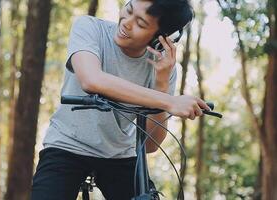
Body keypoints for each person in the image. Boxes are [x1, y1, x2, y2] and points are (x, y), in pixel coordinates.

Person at [31, 0, 210, 199]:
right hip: (66, 145)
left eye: (141, 23)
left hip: (119, 154)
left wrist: (161, 83)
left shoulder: (163, 67)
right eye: (129, 9)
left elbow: (150, 146)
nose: (126, 22)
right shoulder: (90, 28)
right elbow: (91, 80)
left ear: (160, 38)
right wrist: (169, 101)